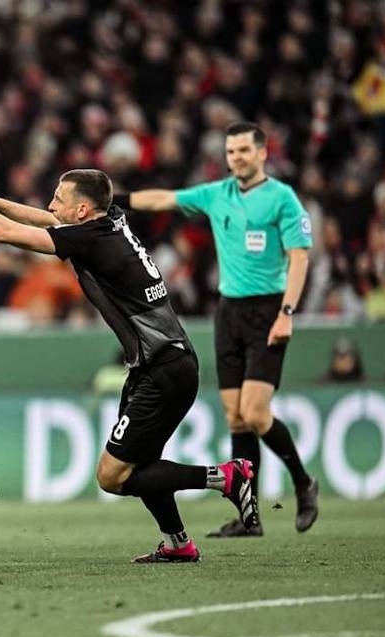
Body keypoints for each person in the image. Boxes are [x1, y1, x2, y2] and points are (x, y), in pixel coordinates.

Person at [0, 170, 258, 563]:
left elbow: (5, 234)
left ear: (81, 209)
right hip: (162, 363)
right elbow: (43, 220)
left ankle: (228, 477)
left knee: (113, 476)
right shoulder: (108, 220)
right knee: (143, 465)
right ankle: (178, 543)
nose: (51, 205)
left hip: (163, 368)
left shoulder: (92, 239)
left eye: (58, 198)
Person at [119, 122, 318, 537]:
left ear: (262, 153)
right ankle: (251, 519)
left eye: (244, 150)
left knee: (255, 413)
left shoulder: (282, 199)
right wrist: (114, 201)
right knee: (236, 417)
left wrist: (287, 311)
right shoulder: (217, 193)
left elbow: (299, 258)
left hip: (268, 310)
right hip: (229, 312)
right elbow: (166, 199)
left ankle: (303, 481)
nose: (237, 158)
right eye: (231, 152)